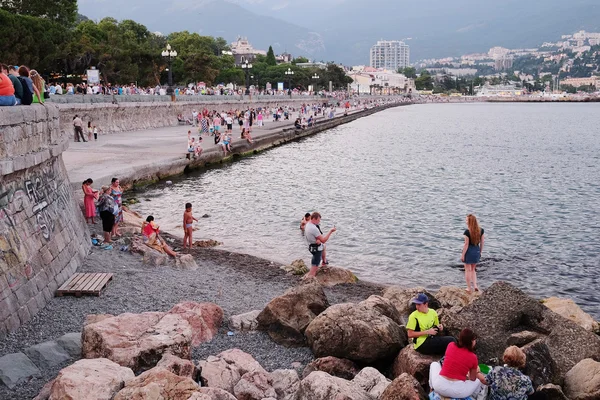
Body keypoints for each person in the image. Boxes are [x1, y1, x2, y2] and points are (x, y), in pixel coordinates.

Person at [429, 328, 482, 399]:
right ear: (471, 341)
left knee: (434, 364)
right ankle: (473, 398)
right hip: (458, 391)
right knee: (478, 381)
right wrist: (476, 372)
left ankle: (432, 389)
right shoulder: (473, 357)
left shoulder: (450, 345)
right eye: (474, 340)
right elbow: (472, 379)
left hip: (439, 386)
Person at [304, 212, 336, 278]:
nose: (319, 222)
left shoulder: (308, 224)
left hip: (311, 246)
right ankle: (310, 280)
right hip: (316, 249)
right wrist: (330, 231)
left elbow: (310, 235)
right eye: (318, 220)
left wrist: (316, 239)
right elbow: (324, 240)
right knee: (314, 269)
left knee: (323, 246)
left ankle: (324, 261)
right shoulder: (314, 228)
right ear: (314, 219)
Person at [462, 214, 485, 292]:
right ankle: (475, 285)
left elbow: (466, 245)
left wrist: (463, 255)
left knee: (467, 270)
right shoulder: (481, 230)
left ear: (470, 222)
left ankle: (469, 287)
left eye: (467, 220)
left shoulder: (467, 232)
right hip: (477, 251)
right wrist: (480, 252)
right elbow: (482, 243)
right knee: (473, 270)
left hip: (469, 252)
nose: (465, 221)